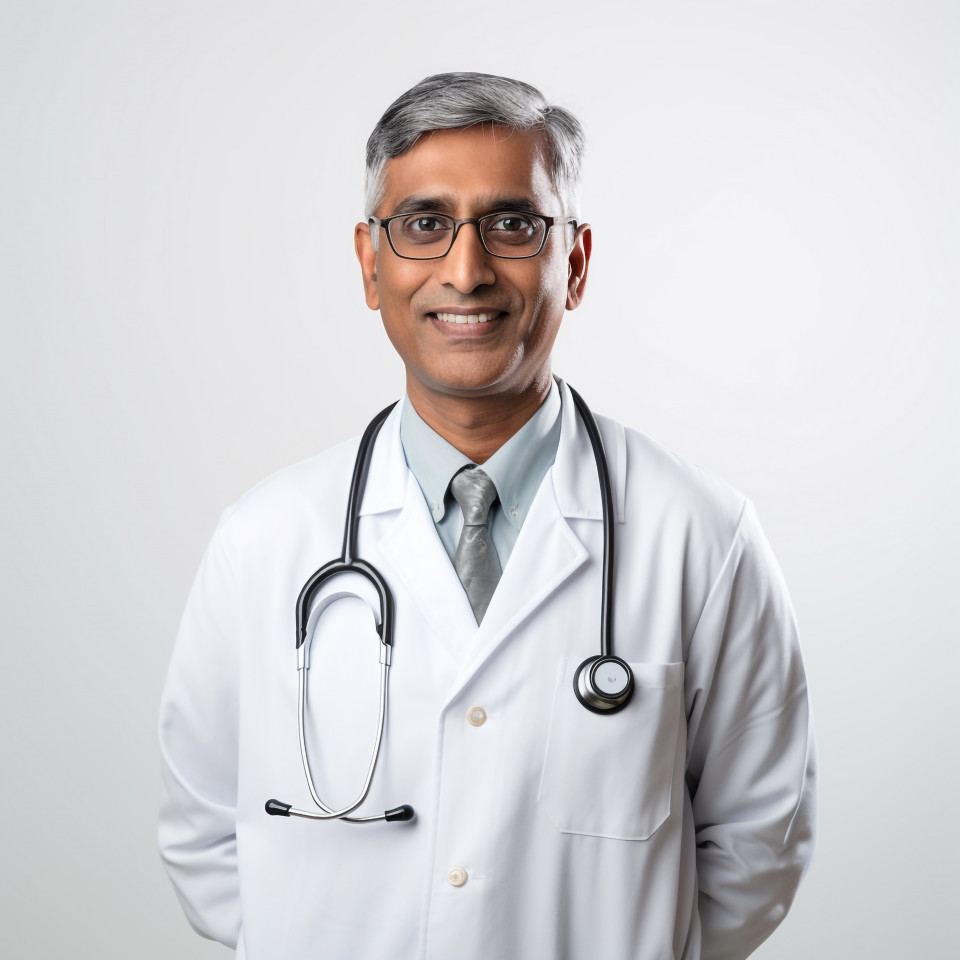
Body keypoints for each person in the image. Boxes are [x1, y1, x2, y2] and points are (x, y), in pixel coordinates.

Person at [158, 72, 816, 960]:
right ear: (370, 262)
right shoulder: (265, 541)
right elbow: (204, 839)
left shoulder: (701, 535)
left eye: (512, 224)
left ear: (574, 263)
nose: (465, 271)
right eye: (425, 224)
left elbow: (758, 847)